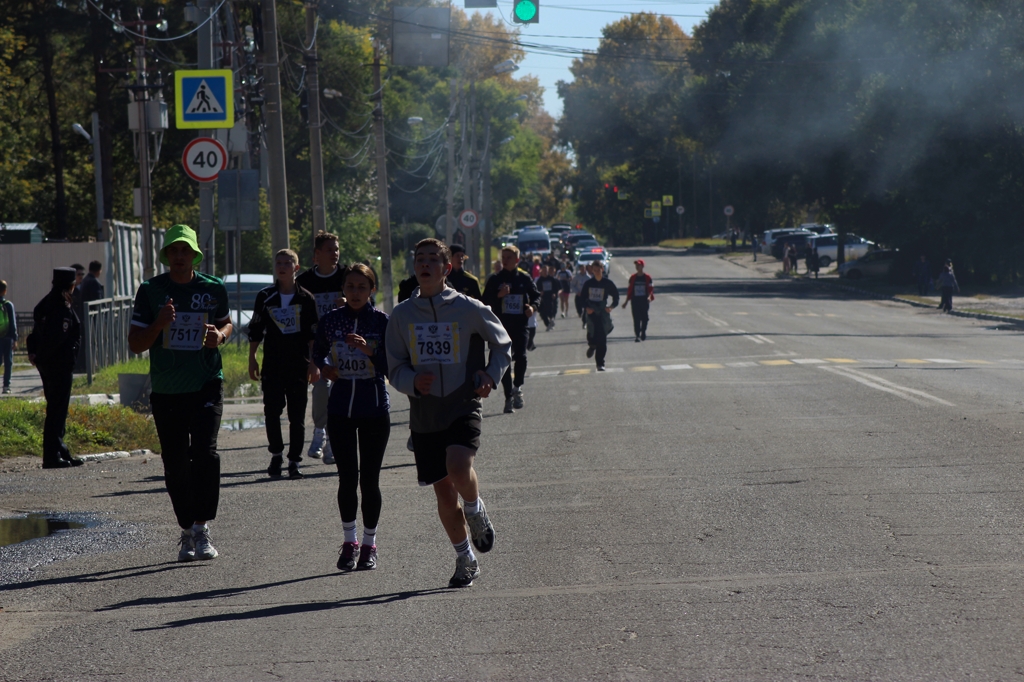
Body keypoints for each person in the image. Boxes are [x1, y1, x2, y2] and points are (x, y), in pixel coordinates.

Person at [385, 238, 511, 588]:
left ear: (447, 268)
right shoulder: (402, 315)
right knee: (443, 494)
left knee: (458, 466)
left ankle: (474, 508)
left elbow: (502, 343)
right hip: (425, 412)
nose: (425, 265)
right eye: (419, 259)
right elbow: (394, 365)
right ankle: (465, 558)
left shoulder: (468, 307)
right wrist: (412, 380)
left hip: (462, 400)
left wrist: (490, 375)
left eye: (432, 260)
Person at [128, 225, 232, 561]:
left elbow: (226, 323)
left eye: (185, 250)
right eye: (173, 250)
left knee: (205, 454)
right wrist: (159, 323)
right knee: (175, 462)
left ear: (195, 255)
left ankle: (202, 528)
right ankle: (186, 529)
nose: (179, 256)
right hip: (168, 389)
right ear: (166, 255)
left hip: (206, 382)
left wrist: (220, 336)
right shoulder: (151, 290)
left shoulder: (213, 288)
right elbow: (135, 344)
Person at [312, 264, 390, 572]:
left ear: (372, 290)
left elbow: (393, 363)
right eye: (350, 286)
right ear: (343, 289)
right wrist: (324, 367)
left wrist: (369, 351)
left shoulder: (381, 322)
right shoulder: (331, 320)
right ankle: (349, 542)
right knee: (347, 479)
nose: (355, 292)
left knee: (369, 480)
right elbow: (317, 352)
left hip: (374, 409)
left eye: (362, 287)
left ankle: (370, 544)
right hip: (340, 408)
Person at [248, 249, 320, 480]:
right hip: (273, 364)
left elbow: (313, 335)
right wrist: (252, 358)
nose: (282, 267)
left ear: (296, 268)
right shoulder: (265, 296)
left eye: (287, 263)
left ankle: (294, 461)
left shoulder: (306, 298)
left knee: (296, 417)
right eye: (278, 262)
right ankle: (276, 454)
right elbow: (256, 329)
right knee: (272, 412)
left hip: (299, 364)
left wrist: (314, 364)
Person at [296, 231, 349, 465]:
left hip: (345, 344)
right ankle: (320, 431)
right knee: (320, 386)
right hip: (317, 344)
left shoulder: (347, 275)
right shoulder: (305, 282)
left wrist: (348, 303)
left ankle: (332, 443)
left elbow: (366, 302)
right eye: (329, 250)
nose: (335, 253)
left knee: (340, 392)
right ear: (317, 254)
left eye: (336, 249)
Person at [26, 268, 83, 468]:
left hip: (48, 364)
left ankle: (60, 449)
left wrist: (35, 353)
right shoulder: (62, 307)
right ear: (70, 286)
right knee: (57, 411)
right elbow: (57, 337)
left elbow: (36, 332)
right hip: (58, 364)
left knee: (55, 408)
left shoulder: (46, 303)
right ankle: (51, 455)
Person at [482, 245, 540, 414]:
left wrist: (533, 307)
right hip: (501, 327)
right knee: (504, 360)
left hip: (520, 324)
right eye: (503, 257)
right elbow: (484, 302)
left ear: (517, 260)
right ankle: (508, 396)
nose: (505, 260)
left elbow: (536, 296)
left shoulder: (524, 278)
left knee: (521, 356)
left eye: (509, 258)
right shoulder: (495, 279)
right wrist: (498, 296)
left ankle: (517, 387)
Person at [582, 260, 619, 371]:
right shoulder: (588, 284)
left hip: (602, 313)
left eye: (599, 270)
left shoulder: (607, 283)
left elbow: (616, 296)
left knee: (602, 339)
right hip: (591, 313)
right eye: (595, 270)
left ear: (602, 269)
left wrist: (611, 307)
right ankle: (592, 346)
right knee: (591, 336)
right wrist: (587, 308)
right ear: (592, 271)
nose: (597, 272)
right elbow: (582, 298)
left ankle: (600, 363)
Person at [622, 259, 654, 342]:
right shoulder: (633, 278)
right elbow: (630, 290)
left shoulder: (647, 277)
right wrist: (626, 302)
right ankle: (637, 335)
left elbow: (650, 289)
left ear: (642, 266)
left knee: (645, 318)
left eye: (639, 265)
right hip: (635, 301)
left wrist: (649, 297)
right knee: (636, 318)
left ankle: (643, 331)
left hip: (644, 301)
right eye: (636, 265)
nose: (637, 267)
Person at [0, 281, 16, 394]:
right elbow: (12, 323)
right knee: (8, 362)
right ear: (5, 291)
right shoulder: (8, 305)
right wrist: (15, 338)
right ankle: (6, 386)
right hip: (7, 338)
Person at [536, 264, 559, 331]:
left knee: (551, 310)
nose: (545, 272)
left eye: (546, 270)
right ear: (541, 271)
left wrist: (554, 293)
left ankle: (551, 319)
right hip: (543, 298)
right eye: (544, 271)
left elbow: (556, 288)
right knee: (542, 313)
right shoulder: (539, 280)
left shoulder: (551, 279)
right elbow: (536, 289)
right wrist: (539, 292)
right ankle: (547, 324)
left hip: (550, 297)